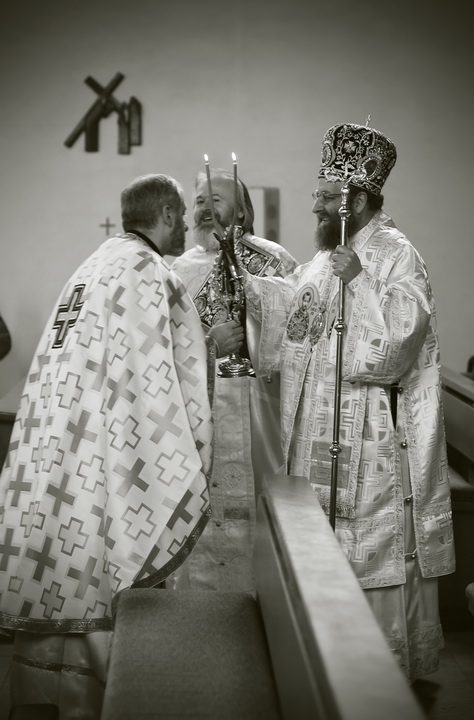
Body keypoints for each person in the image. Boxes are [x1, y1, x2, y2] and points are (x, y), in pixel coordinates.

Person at [235, 123, 455, 680]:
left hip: (373, 435)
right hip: (317, 430)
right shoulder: (325, 256)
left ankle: (372, 671)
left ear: (355, 201)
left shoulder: (398, 255)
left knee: (368, 545)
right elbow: (296, 322)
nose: (316, 206)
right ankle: (319, 657)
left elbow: (398, 345)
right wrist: (250, 284)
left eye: (325, 198)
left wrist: (359, 282)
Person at [0, 174, 215, 718]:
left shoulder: (92, 267)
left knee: (61, 562)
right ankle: (106, 696)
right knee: (99, 561)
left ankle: (46, 692)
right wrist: (215, 347)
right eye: (183, 214)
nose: (187, 225)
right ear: (167, 214)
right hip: (101, 451)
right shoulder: (148, 273)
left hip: (58, 446)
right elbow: (163, 377)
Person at [170, 167, 298, 593]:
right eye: (199, 202)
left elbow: (298, 333)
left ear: (242, 211)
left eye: (217, 200)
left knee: (262, 510)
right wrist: (208, 341)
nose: (205, 209)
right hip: (200, 411)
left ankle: (269, 604)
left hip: (258, 411)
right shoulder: (178, 270)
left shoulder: (274, 260)